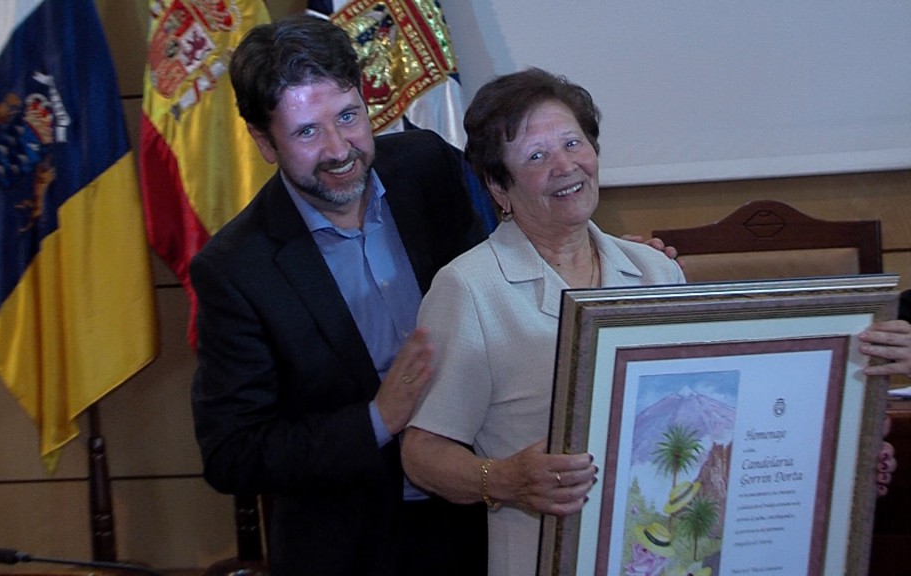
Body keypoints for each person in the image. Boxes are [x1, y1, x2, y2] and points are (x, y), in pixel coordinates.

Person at [400, 67, 911, 575]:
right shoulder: (469, 288)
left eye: (573, 144)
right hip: (546, 558)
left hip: (672, 556)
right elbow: (422, 453)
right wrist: (504, 479)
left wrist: (836, 456)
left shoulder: (655, 270)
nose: (565, 166)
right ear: (498, 186)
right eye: (536, 156)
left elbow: (715, 411)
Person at [188, 14, 488, 576]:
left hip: (483, 513)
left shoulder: (427, 165)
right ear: (264, 141)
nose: (339, 149)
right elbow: (232, 453)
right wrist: (378, 418)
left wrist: (602, 266)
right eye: (307, 132)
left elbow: (499, 278)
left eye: (348, 117)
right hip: (356, 546)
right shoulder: (235, 270)